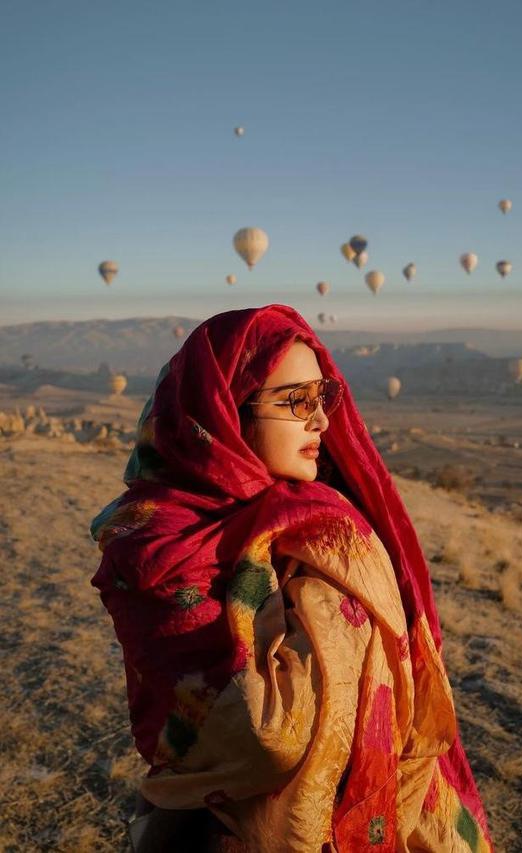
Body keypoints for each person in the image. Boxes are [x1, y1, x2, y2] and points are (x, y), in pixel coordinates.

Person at [90, 304, 493, 852]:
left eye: (321, 397)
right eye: (294, 401)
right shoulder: (155, 543)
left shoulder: (314, 518)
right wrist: (332, 580)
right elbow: (259, 733)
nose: (321, 420)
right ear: (225, 410)